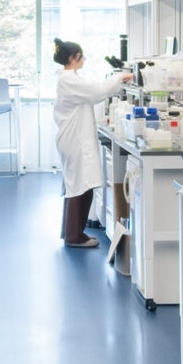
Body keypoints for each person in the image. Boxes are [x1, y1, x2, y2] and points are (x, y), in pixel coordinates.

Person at [51, 39, 122, 248]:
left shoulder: (70, 79)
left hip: (74, 139)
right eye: (82, 56)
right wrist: (120, 77)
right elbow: (96, 91)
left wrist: (114, 86)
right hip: (75, 141)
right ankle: (74, 236)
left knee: (79, 184)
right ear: (73, 58)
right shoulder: (69, 80)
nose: (84, 59)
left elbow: (91, 97)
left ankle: (71, 232)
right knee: (80, 186)